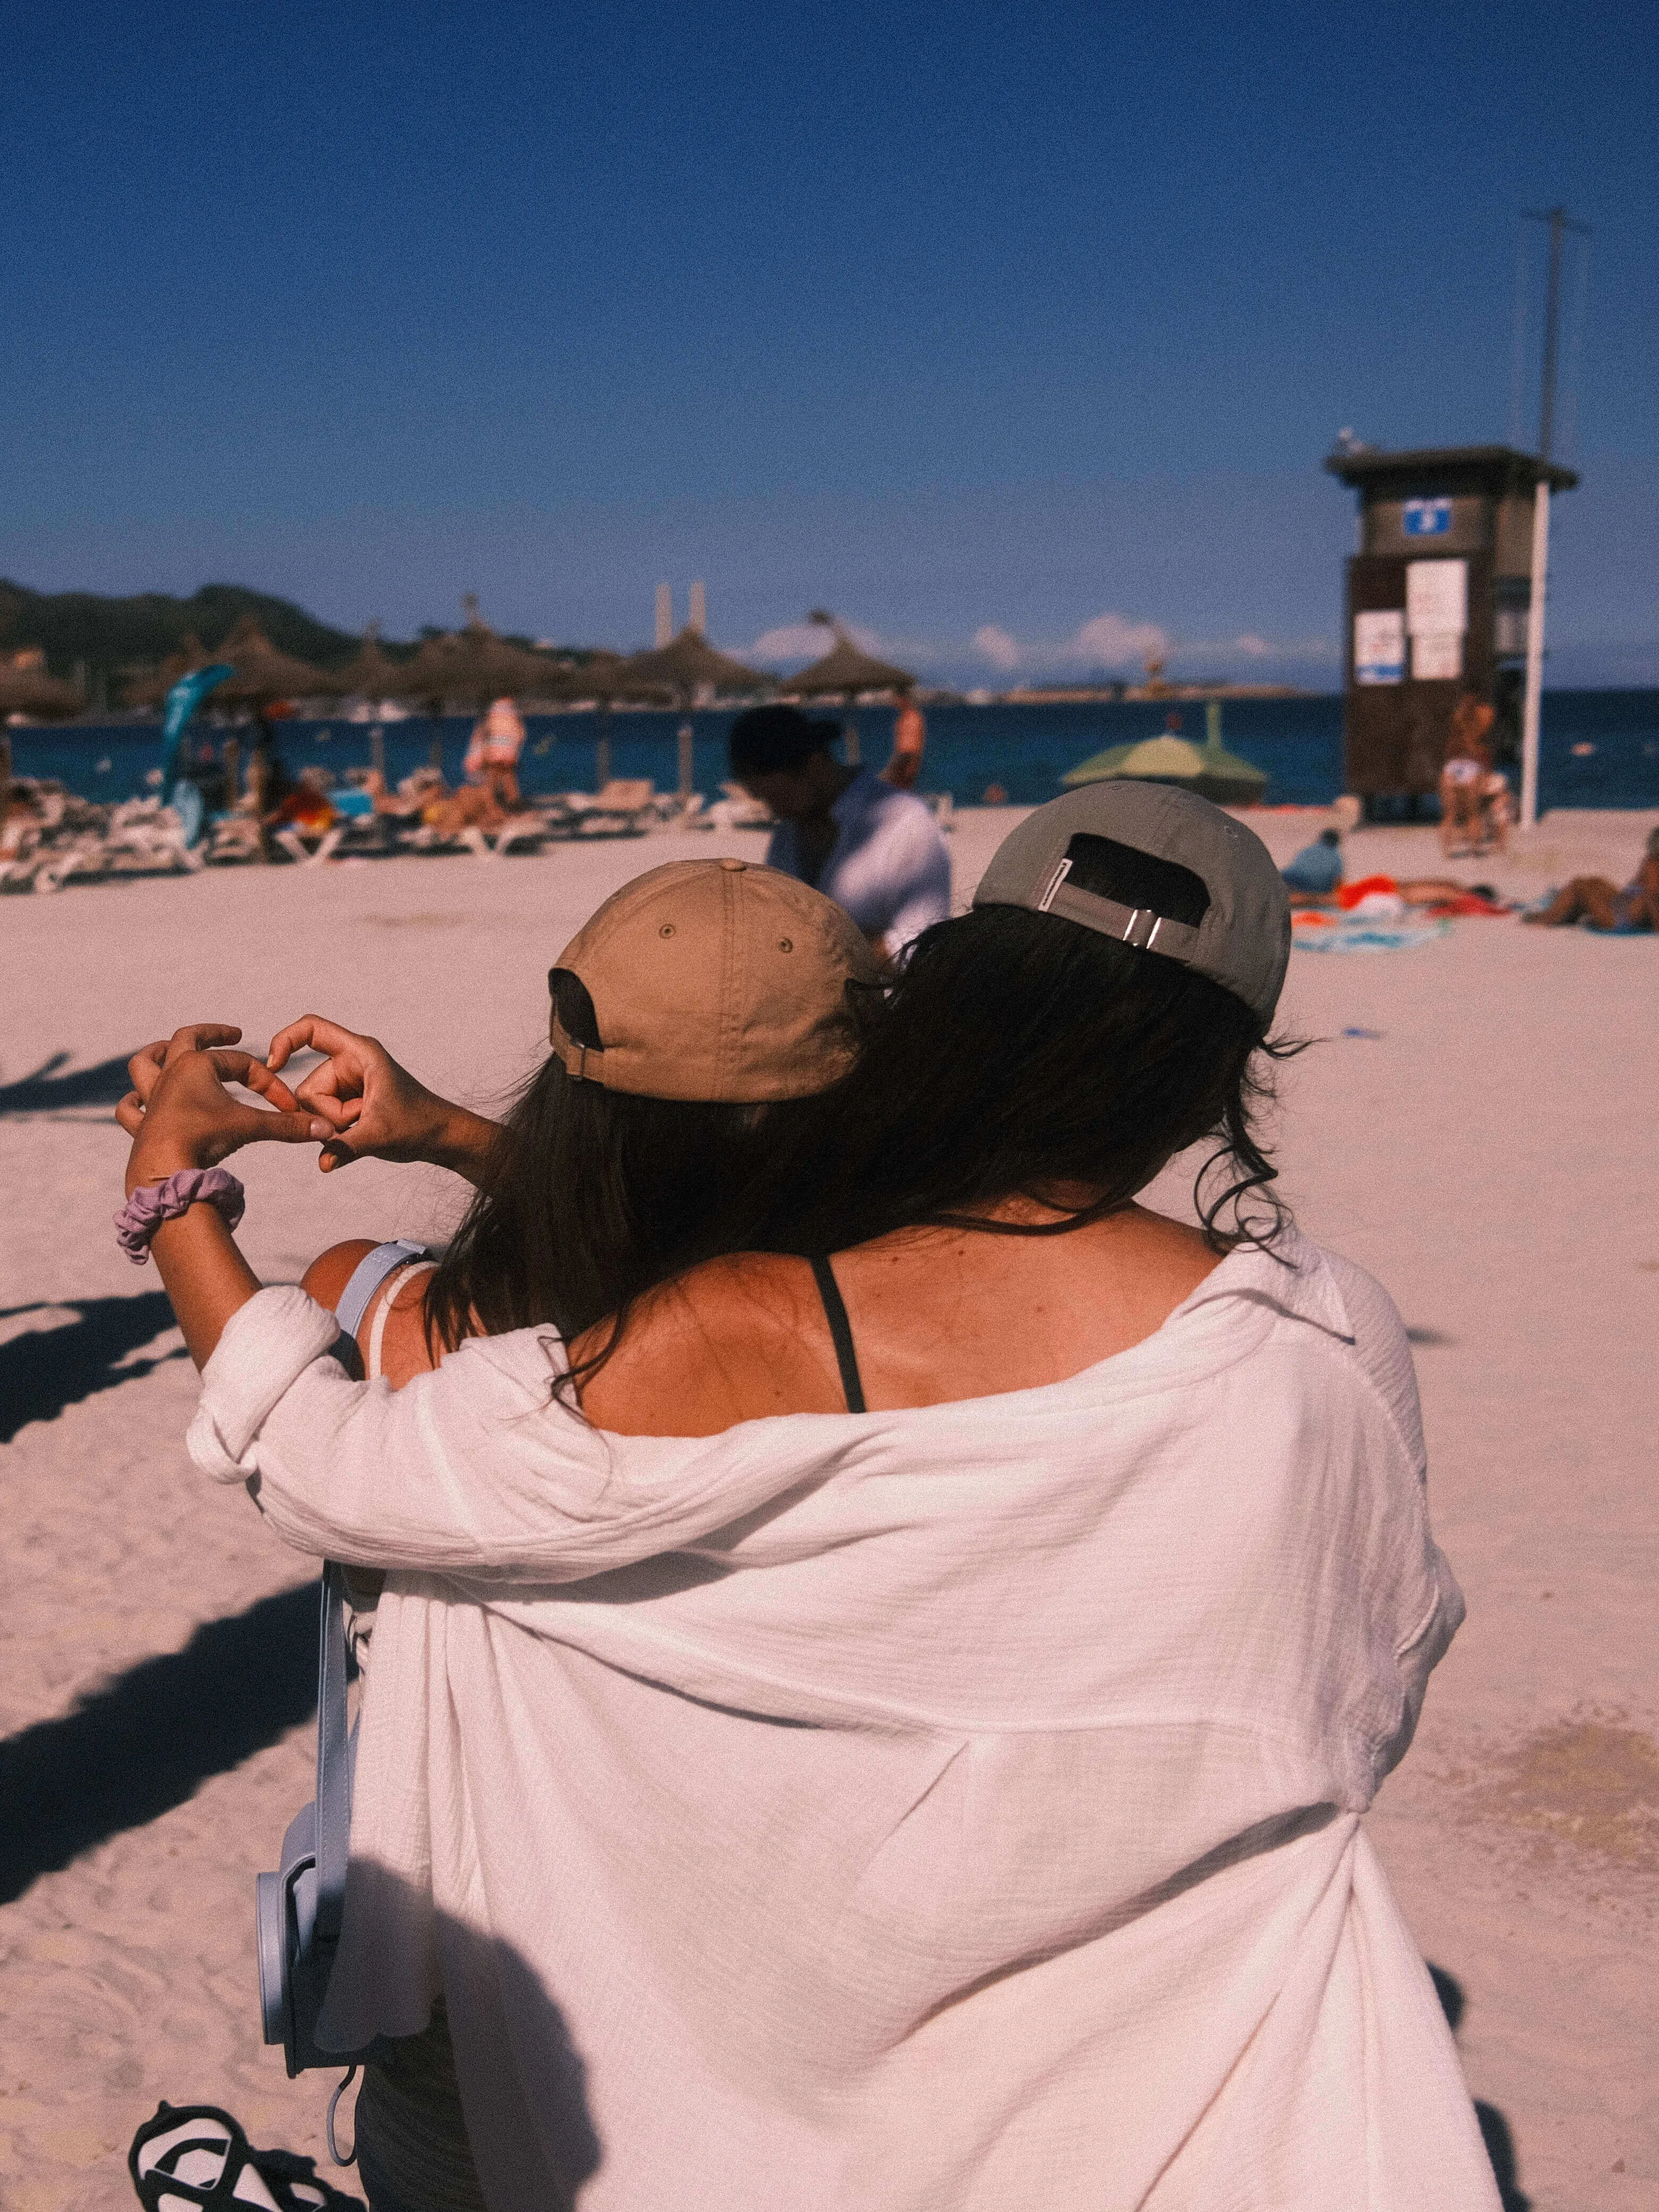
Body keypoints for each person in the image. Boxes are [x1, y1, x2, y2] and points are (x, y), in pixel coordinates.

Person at [116, 786, 1497, 2210]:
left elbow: (325, 1457)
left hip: (757, 2096)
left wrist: (173, 1191)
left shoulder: (741, 1334)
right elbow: (1371, 1684)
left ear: (957, 1004)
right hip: (1184, 2112)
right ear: (1222, 1078)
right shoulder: (1326, 1344)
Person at [728, 703, 951, 960]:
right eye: (763, 799)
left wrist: (817, 951)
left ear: (815, 763)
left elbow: (922, 946)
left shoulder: (904, 821)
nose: (774, 810)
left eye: (777, 796)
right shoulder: (790, 828)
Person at [1521, 826, 1659, 932]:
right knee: (1596, 883)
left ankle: (1548, 918)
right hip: (1622, 908)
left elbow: (1650, 896)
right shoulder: (1650, 863)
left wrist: (1657, 926)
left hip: (1619, 919)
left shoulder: (1653, 865)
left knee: (1579, 886)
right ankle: (1566, 914)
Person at [1439, 692, 1496, 857]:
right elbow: (1483, 755)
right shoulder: (1480, 726)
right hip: (1472, 767)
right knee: (1473, 814)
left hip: (1453, 768)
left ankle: (1447, 852)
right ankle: (1474, 849)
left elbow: (1449, 752)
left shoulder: (1456, 728)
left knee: (1450, 814)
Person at [465, 696, 526, 808]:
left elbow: (483, 736)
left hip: (494, 752)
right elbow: (520, 734)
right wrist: (514, 752)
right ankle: (513, 804)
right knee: (508, 777)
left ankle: (493, 805)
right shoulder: (511, 713)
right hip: (507, 752)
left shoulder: (492, 714)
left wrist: (479, 756)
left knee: (493, 781)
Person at [1280, 825, 1344, 901]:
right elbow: (1338, 881)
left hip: (1292, 877)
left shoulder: (1308, 849)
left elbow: (1296, 865)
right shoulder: (1336, 856)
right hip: (1317, 886)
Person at [883, 695, 926, 790]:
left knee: (899, 786)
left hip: (907, 758)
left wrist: (914, 761)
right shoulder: (905, 717)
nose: (895, 703)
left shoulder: (912, 718)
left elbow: (912, 745)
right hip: (904, 757)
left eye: (897, 700)